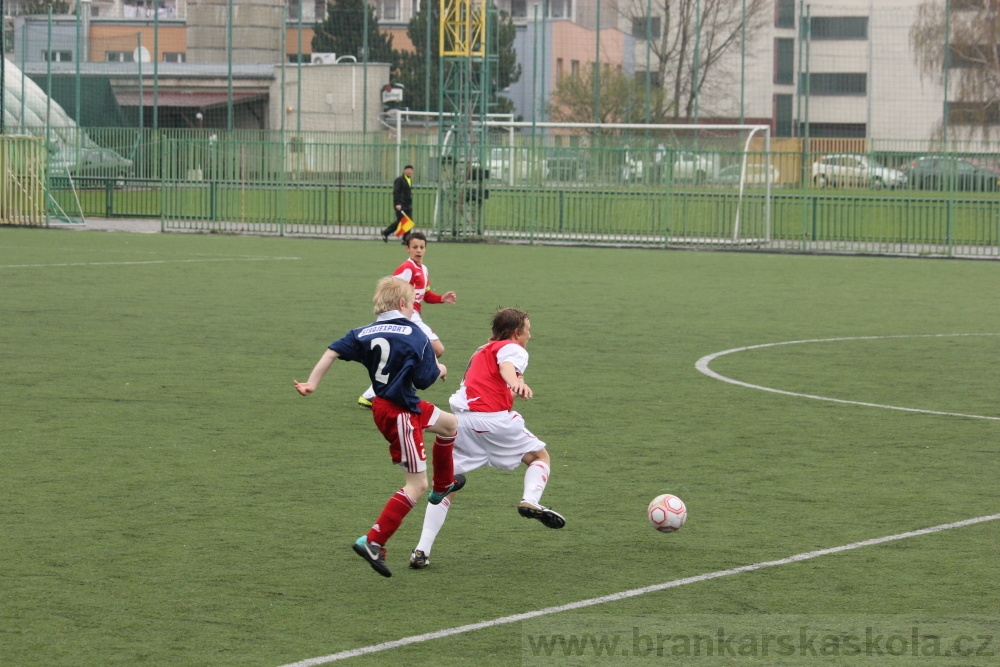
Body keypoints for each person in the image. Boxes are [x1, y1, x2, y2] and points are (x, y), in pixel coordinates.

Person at [294, 277, 466, 578]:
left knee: (450, 425)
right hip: (400, 412)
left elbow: (332, 351)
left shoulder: (364, 331)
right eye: (413, 302)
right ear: (402, 304)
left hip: (394, 404)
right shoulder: (414, 333)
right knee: (416, 485)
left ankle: (444, 486)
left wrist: (312, 383)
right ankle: (373, 540)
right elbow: (425, 379)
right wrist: (440, 369)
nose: (415, 308)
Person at [409, 307, 564, 570]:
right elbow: (506, 367)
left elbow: (490, 380)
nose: (529, 335)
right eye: (528, 330)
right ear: (516, 333)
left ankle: (421, 550)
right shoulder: (513, 349)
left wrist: (515, 382)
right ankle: (530, 500)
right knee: (540, 457)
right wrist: (514, 381)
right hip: (494, 422)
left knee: (446, 487)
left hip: (462, 424)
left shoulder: (482, 350)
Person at [358, 231, 456, 408]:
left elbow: (425, 295)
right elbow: (389, 288)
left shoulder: (423, 270)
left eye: (422, 247)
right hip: (406, 317)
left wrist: (442, 298)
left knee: (411, 355)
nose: (418, 250)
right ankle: (404, 382)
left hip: (413, 316)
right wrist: (391, 314)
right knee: (436, 349)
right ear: (407, 249)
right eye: (415, 247)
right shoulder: (408, 268)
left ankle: (375, 392)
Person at [381, 164, 415, 243]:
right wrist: (397, 203)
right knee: (403, 221)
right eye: (408, 169)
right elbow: (396, 192)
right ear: (404, 170)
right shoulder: (399, 180)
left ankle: (404, 238)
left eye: (411, 170)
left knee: (408, 221)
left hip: (407, 205)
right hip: (401, 205)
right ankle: (387, 233)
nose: (409, 171)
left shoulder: (409, 180)